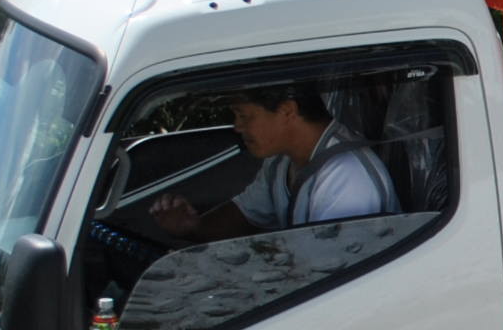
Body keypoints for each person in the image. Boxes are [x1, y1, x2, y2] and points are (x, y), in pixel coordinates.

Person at [149, 83, 397, 242]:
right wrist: (193, 226)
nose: (237, 126)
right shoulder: (281, 161)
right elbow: (246, 215)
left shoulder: (347, 178)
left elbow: (331, 270)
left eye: (244, 116)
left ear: (287, 111)